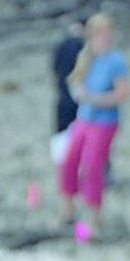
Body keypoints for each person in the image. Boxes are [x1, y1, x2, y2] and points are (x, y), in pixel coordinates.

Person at [58, 13, 128, 227]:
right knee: (68, 161)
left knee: (92, 167)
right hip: (84, 119)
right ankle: (68, 208)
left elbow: (123, 93)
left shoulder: (116, 61)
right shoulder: (87, 56)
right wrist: (78, 92)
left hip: (105, 122)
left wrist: (96, 99)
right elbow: (74, 80)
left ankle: (95, 216)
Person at [51, 17, 85, 164]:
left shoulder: (59, 46)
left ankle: (62, 165)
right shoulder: (85, 47)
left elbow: (54, 70)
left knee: (63, 134)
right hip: (83, 98)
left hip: (63, 96)